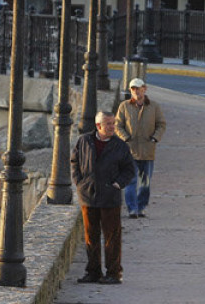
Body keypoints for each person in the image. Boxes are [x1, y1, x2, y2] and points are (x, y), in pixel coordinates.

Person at [70, 111, 136, 285]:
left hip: (110, 197)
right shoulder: (84, 141)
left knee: (112, 237)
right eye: (108, 124)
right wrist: (79, 182)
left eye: (113, 123)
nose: (112, 127)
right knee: (91, 236)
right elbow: (74, 162)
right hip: (88, 196)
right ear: (98, 126)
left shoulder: (120, 146)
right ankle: (93, 271)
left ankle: (114, 273)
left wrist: (118, 184)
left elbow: (129, 170)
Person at [115, 78, 166, 218]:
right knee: (130, 181)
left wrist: (155, 138)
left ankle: (141, 206)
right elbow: (117, 125)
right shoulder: (124, 106)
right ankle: (132, 208)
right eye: (133, 89)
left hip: (147, 150)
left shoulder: (154, 107)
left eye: (139, 88)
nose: (136, 91)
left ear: (145, 89)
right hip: (129, 150)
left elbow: (161, 124)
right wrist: (125, 137)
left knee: (145, 182)